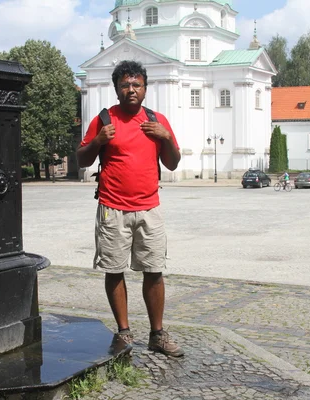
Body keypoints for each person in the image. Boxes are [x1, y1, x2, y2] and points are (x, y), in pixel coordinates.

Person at [76, 60, 184, 357]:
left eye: (137, 84)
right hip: (112, 207)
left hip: (149, 207)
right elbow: (82, 160)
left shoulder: (155, 120)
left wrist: (166, 137)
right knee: (114, 270)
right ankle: (124, 333)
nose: (131, 89)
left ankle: (157, 335)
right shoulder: (104, 119)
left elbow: (173, 163)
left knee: (154, 270)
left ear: (146, 89)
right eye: (125, 85)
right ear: (117, 89)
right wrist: (98, 141)